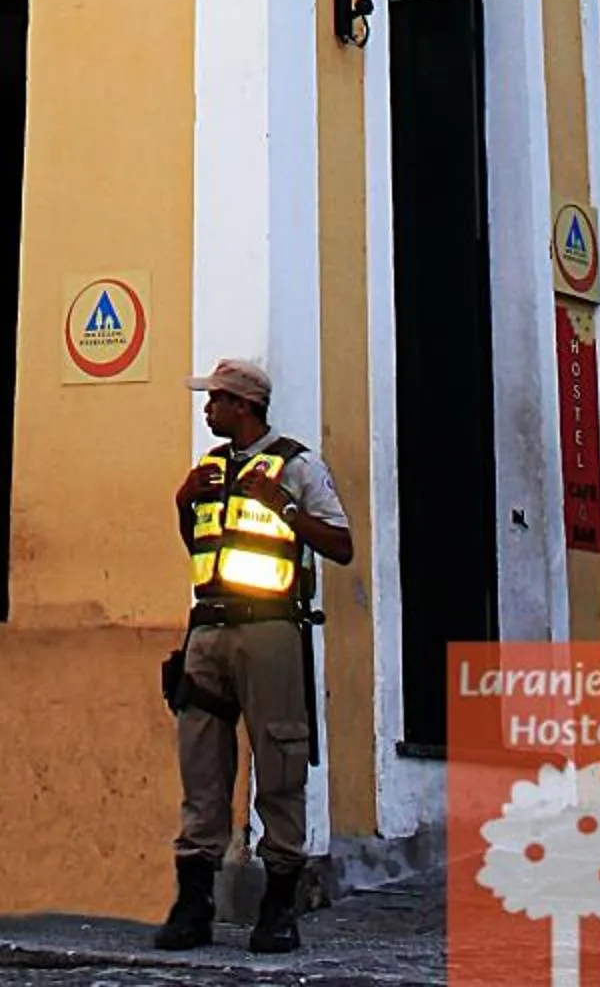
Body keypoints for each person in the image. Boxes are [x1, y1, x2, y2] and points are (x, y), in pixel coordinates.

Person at [155, 357, 353, 959]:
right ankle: (193, 904)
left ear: (242, 406)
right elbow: (202, 547)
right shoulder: (209, 467)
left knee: (280, 760)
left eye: (214, 401)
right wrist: (185, 502)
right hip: (208, 628)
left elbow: (341, 544)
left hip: (270, 630)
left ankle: (278, 906)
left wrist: (283, 507)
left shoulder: (295, 465)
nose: (206, 410)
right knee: (201, 763)